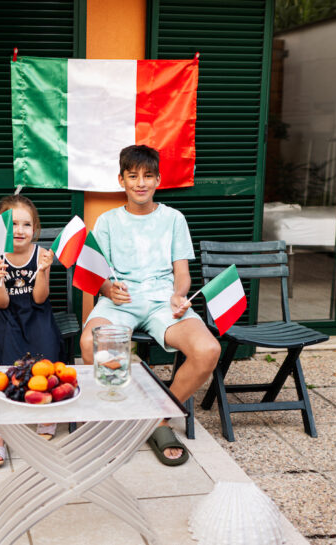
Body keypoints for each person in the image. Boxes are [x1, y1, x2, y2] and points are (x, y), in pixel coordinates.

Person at [79, 145, 221, 466]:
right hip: (122, 301)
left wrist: (179, 294)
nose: (140, 183)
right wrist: (107, 289)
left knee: (208, 350)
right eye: (133, 176)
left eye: (147, 176)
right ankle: (123, 412)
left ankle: (157, 416)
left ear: (158, 179)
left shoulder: (173, 218)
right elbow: (97, 274)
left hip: (162, 301)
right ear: (121, 180)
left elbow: (182, 274)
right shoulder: (107, 221)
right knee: (90, 343)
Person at [0, 195, 65, 466]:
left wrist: (43, 272)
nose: (19, 230)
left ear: (35, 228)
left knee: (47, 352)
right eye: (12, 224)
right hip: (8, 313)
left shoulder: (41, 255)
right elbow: (1, 302)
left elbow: (40, 298)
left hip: (36, 312)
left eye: (26, 225)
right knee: (10, 360)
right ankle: (1, 427)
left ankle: (46, 409)